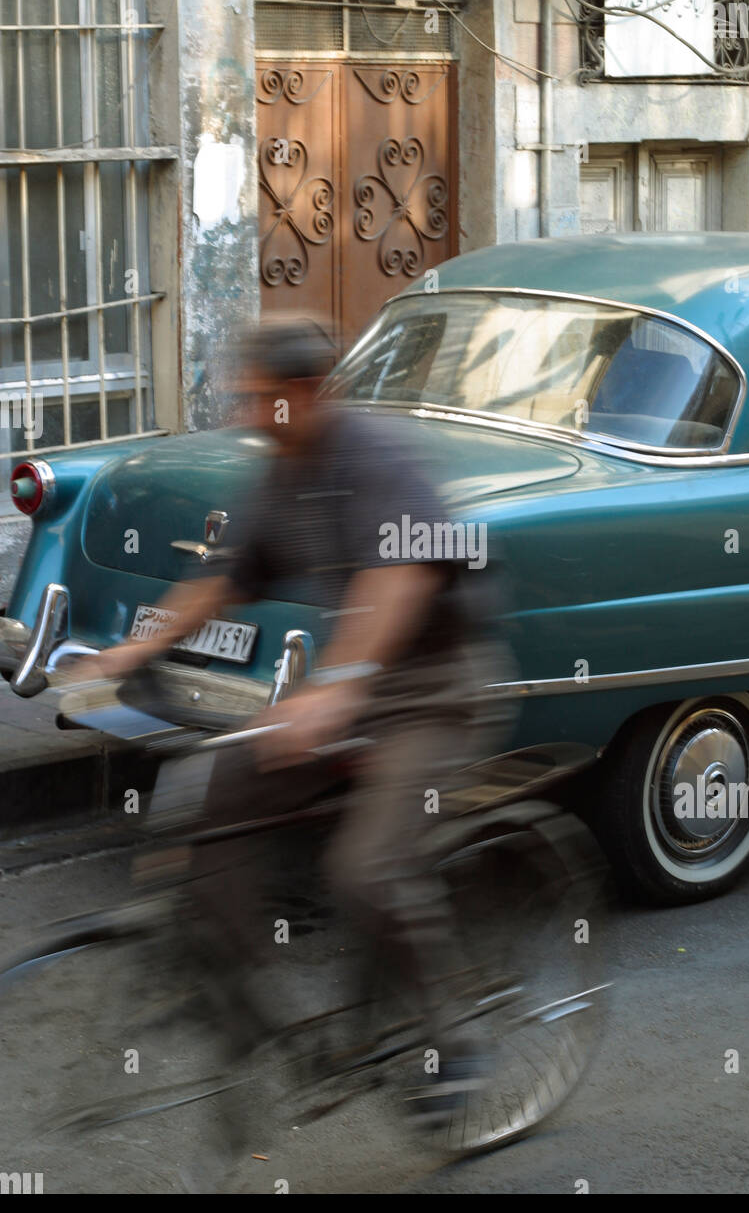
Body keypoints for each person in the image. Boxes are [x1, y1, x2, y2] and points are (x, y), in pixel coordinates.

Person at [75, 316, 513, 1116]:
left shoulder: (375, 456)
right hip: (343, 696)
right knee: (218, 792)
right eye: (244, 399)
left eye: (262, 399)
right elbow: (225, 582)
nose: (250, 415)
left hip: (431, 696)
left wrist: (339, 685)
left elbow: (402, 577)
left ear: (308, 391)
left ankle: (455, 1040)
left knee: (363, 868)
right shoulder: (282, 467)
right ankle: (238, 989)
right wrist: (128, 654)